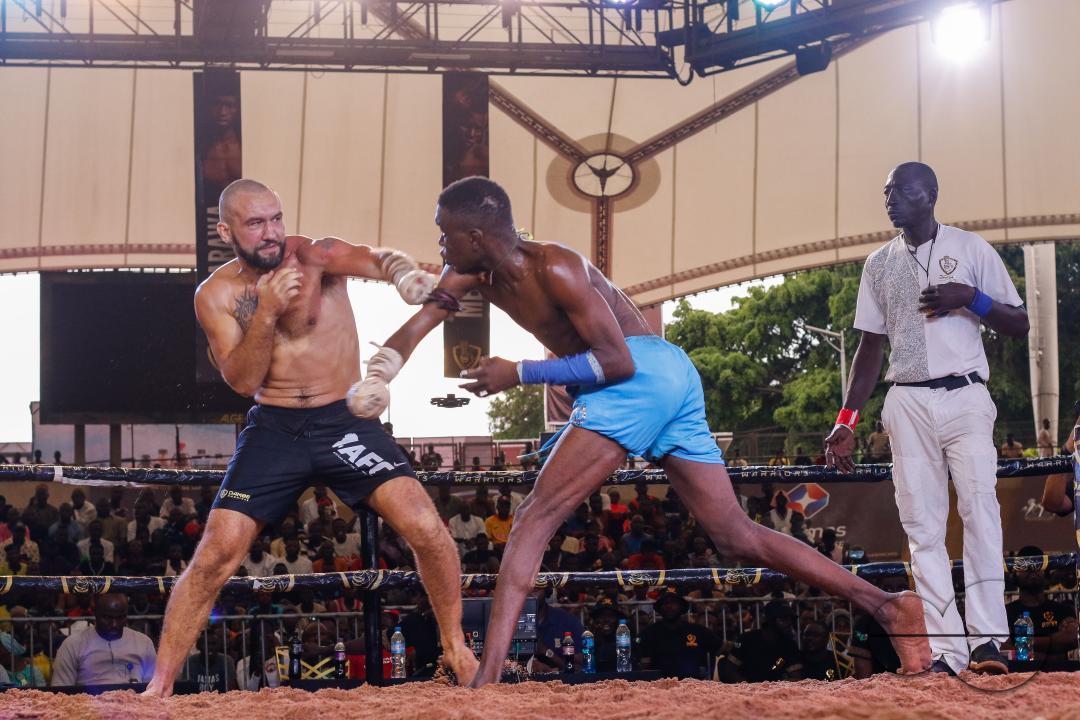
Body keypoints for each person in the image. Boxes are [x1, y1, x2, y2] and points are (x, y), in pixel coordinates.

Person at [359, 176, 930, 686]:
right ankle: (887, 606)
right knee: (735, 535)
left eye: (444, 234)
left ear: (477, 236)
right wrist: (380, 373)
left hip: (638, 373)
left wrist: (519, 373)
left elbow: (617, 362)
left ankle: (485, 681)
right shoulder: (471, 272)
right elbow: (420, 323)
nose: (438, 246)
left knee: (534, 516)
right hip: (667, 378)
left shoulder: (558, 265)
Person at [142, 179, 477, 697]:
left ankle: (456, 650)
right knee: (215, 554)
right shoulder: (216, 294)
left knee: (426, 528)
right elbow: (243, 380)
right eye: (256, 223)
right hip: (274, 428)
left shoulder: (314, 256)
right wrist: (269, 310)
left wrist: (406, 276)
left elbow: (376, 257)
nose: (272, 232)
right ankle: (159, 688)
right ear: (225, 230)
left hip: (344, 420)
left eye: (276, 218)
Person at [824, 162, 1028, 676]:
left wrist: (972, 299)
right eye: (884, 191)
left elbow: (1020, 323)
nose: (889, 199)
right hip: (907, 400)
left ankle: (988, 644)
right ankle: (946, 651)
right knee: (922, 529)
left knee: (981, 514)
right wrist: (847, 418)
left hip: (965, 395)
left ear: (930, 194)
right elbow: (870, 347)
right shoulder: (878, 264)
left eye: (899, 190)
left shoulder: (972, 249)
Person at [51, 594, 156, 687]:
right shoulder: (72, 645)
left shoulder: (144, 643)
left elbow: (153, 690)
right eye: (107, 617)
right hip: (87, 706)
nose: (114, 624)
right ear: (95, 612)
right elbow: (61, 691)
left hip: (136, 706)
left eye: (120, 618)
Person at [1004, 545, 1078, 665]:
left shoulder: (1063, 610)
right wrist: (1052, 647)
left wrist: (1024, 644)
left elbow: (1071, 639)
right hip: (1019, 676)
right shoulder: (1006, 613)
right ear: (1016, 573)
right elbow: (1003, 648)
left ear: (1045, 570)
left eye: (1037, 565)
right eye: (1025, 566)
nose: (1032, 570)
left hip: (1059, 677)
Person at [639, 590, 720, 679]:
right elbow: (644, 667)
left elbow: (723, 646)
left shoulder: (697, 630)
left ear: (681, 607)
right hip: (660, 686)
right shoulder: (649, 633)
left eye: (673, 603)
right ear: (660, 608)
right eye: (665, 603)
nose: (669, 606)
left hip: (693, 685)